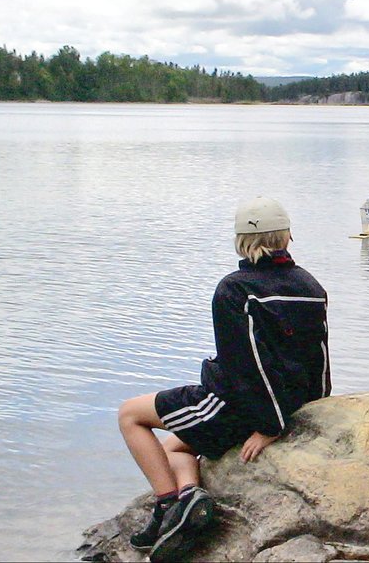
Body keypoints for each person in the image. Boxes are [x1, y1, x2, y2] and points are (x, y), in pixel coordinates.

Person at [117, 196, 330, 562]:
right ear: (287, 236)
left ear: (242, 241)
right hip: (288, 402)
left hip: (242, 406)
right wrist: (317, 405)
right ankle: (189, 498)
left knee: (130, 415)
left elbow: (246, 366)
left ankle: (166, 508)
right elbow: (319, 358)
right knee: (175, 447)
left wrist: (271, 426)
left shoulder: (235, 289)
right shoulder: (310, 286)